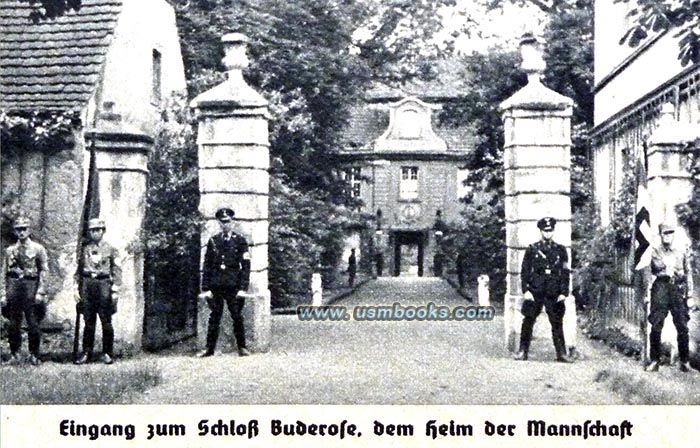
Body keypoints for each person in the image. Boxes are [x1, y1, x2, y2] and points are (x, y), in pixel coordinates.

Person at [514, 217, 573, 363]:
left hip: (553, 292)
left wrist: (563, 292)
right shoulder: (532, 249)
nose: (548, 233)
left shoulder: (560, 250)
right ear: (540, 231)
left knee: (557, 323)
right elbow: (525, 271)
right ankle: (523, 351)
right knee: (528, 321)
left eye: (550, 230)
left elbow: (565, 272)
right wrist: (526, 290)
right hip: (536, 291)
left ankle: (561, 353)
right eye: (545, 231)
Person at [198, 207, 251, 357]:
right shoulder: (213, 241)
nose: (225, 225)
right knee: (214, 316)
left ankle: (242, 347)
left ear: (232, 222)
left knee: (237, 316)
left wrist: (243, 287)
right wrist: (206, 287)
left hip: (233, 286)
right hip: (216, 286)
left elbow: (246, 266)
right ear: (219, 223)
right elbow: (207, 265)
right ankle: (209, 349)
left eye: (227, 222)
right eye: (222, 222)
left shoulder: (240, 241)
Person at [646, 223, 695, 373]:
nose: (667, 236)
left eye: (670, 233)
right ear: (660, 235)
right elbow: (648, 273)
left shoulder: (680, 251)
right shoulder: (654, 252)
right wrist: (647, 293)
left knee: (682, 325)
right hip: (661, 287)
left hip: (677, 289)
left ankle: (684, 361)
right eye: (665, 233)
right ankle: (655, 360)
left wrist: (690, 295)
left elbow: (688, 273)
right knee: (656, 323)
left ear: (673, 235)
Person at [1, 216, 48, 366]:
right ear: (15, 231)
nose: (21, 232)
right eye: (18, 229)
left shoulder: (38, 249)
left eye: (24, 229)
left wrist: (41, 291)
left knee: (33, 322)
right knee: (14, 323)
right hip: (14, 286)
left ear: (29, 230)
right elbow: (3, 273)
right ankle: (15, 354)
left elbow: (44, 271)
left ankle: (34, 354)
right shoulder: (9, 251)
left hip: (30, 285)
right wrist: (2, 293)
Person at [75, 219, 121, 365]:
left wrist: (115, 289)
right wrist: (75, 288)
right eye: (92, 230)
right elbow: (78, 270)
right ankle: (86, 352)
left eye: (98, 230)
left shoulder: (111, 249)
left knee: (106, 320)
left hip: (103, 283)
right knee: (88, 321)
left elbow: (117, 269)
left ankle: (107, 352)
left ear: (103, 231)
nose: (95, 233)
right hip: (88, 284)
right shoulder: (84, 249)